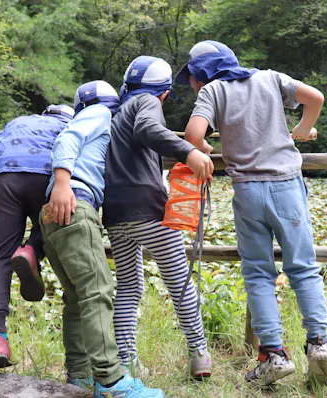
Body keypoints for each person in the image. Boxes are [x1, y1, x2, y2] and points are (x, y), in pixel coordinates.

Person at [179, 40, 327, 385]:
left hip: (248, 191)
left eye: (190, 76)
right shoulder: (270, 78)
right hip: (288, 185)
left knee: (259, 274)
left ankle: (274, 356)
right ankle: (319, 345)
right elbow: (316, 98)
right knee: (304, 266)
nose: (191, 83)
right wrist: (302, 130)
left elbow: (193, 134)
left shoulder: (213, 91)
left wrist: (204, 146)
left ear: (201, 74)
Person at [39, 80, 165, 398]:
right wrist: (63, 183)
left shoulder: (94, 122)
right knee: (98, 292)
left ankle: (79, 378)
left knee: (76, 299)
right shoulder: (98, 114)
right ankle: (111, 382)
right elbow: (68, 138)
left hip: (58, 213)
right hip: (73, 202)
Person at [103, 55, 214, 379]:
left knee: (129, 286)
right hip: (147, 209)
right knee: (179, 280)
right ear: (163, 93)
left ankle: (126, 362)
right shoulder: (147, 102)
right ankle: (199, 355)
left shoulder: (117, 113)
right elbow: (149, 129)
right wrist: (189, 152)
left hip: (115, 212)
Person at [0, 104, 74, 369]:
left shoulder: (20, 120)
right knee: (47, 224)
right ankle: (31, 249)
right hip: (44, 175)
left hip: (3, 176)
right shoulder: (70, 127)